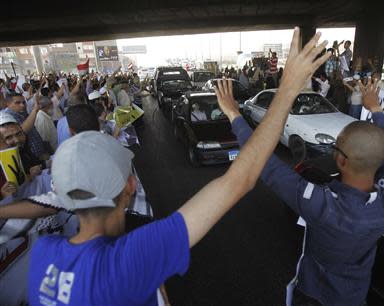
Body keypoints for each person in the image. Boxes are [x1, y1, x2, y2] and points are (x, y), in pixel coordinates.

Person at [27, 28, 330, 306]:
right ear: (131, 187)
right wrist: (287, 88)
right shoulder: (131, 260)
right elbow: (239, 180)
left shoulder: (43, 254)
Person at [221, 74, 384, 305]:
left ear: (342, 161)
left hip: (316, 296)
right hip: (355, 295)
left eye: (336, 146)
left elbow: (264, 162)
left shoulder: (325, 208)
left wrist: (234, 114)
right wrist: (375, 108)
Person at [2, 92, 47, 160]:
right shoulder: (7, 117)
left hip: (39, 155)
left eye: (23, 102)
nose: (22, 105)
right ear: (8, 104)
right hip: (30, 160)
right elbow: (22, 131)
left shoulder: (22, 113)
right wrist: (35, 110)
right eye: (17, 103)